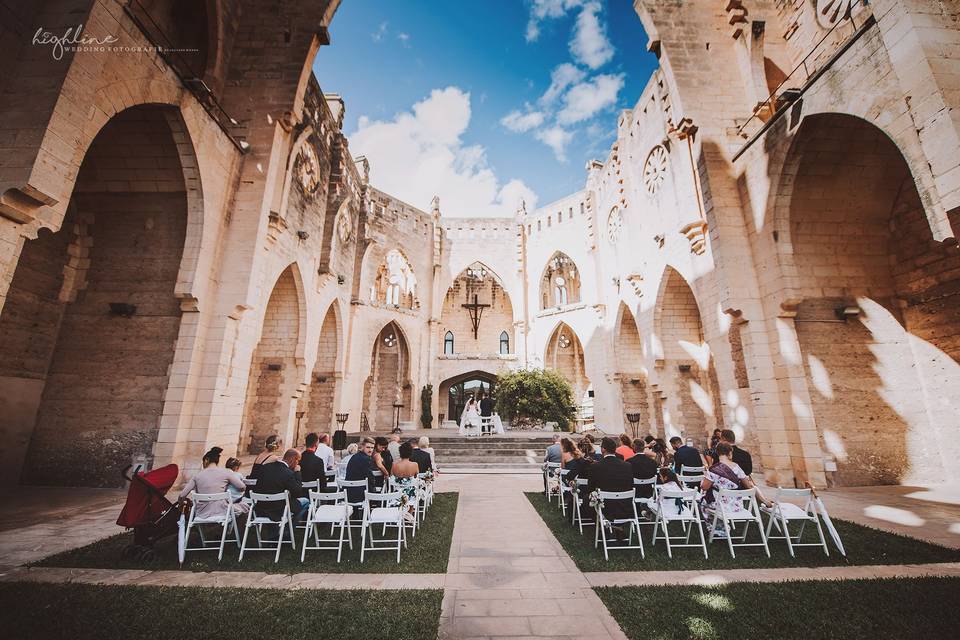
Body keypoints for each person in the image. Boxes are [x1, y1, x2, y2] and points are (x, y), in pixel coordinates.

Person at [700, 443, 771, 523]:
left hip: (720, 506)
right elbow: (749, 486)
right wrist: (763, 500)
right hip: (736, 506)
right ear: (730, 453)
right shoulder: (737, 467)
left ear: (717, 453)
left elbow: (704, 487)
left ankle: (716, 529)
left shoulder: (713, 469)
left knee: (703, 503)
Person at [178, 447, 249, 517]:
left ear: (206, 460)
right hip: (222, 511)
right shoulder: (226, 473)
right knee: (244, 506)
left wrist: (182, 503)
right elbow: (242, 487)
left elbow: (182, 496)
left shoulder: (197, 476)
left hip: (201, 513)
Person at [588, 437, 636, 530]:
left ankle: (603, 529)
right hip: (625, 505)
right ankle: (618, 528)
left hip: (605, 506)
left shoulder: (596, 466)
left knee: (587, 499)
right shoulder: (627, 466)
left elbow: (591, 488)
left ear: (603, 449)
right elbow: (631, 485)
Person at [254, 448, 308, 522]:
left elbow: (257, 487)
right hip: (279, 510)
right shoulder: (289, 473)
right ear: (293, 460)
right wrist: (297, 473)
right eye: (298, 461)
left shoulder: (265, 467)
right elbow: (298, 492)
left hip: (261, 508)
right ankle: (289, 528)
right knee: (306, 501)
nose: (298, 464)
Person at [391, 441, 420, 522]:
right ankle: (408, 516)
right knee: (412, 490)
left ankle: (401, 515)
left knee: (404, 490)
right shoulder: (415, 465)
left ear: (400, 453)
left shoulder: (394, 465)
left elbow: (392, 477)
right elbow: (416, 476)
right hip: (410, 494)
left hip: (397, 494)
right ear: (411, 453)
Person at [345, 437, 377, 507]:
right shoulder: (366, 459)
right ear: (362, 447)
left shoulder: (354, 456)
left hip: (348, 493)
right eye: (368, 447)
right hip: (360, 495)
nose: (370, 450)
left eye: (372, 448)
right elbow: (370, 478)